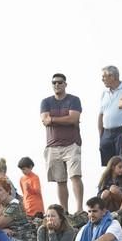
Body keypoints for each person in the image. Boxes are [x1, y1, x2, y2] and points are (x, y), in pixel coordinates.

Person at [40, 73, 84, 214]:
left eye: (59, 82)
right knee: (60, 180)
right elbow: (44, 120)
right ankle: (64, 211)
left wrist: (52, 119)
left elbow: (73, 118)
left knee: (75, 176)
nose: (57, 85)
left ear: (65, 84)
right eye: (54, 83)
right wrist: (64, 119)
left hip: (72, 143)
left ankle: (79, 209)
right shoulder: (45, 102)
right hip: (53, 145)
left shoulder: (74, 100)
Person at [98, 65, 122, 166]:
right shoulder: (104, 93)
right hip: (106, 134)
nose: (102, 79)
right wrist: (101, 136)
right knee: (109, 166)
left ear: (112, 76)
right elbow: (101, 114)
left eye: (104, 76)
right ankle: (111, 182)